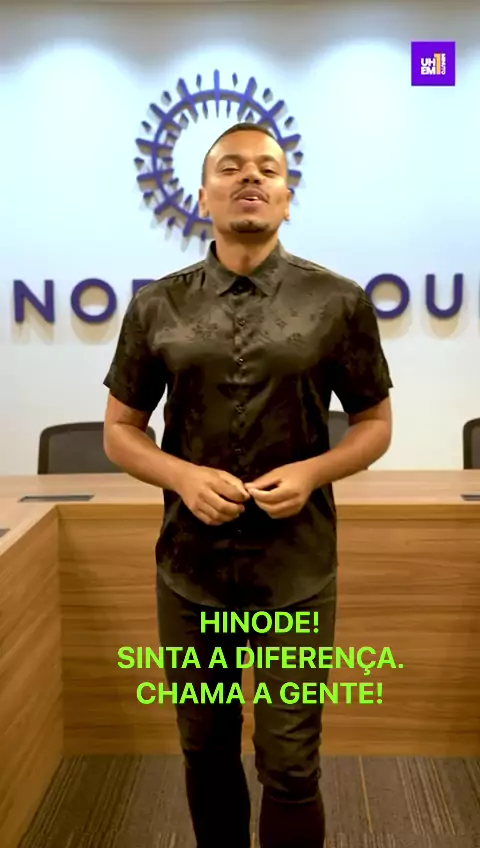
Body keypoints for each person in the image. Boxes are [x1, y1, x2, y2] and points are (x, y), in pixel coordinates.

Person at [103, 122, 393, 848]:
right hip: (190, 570)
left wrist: (314, 471)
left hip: (297, 568)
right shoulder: (156, 306)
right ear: (203, 197)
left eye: (267, 167)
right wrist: (182, 476)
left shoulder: (339, 301)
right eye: (230, 167)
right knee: (205, 750)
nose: (250, 177)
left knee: (291, 766)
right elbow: (120, 431)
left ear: (288, 198)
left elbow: (375, 424)